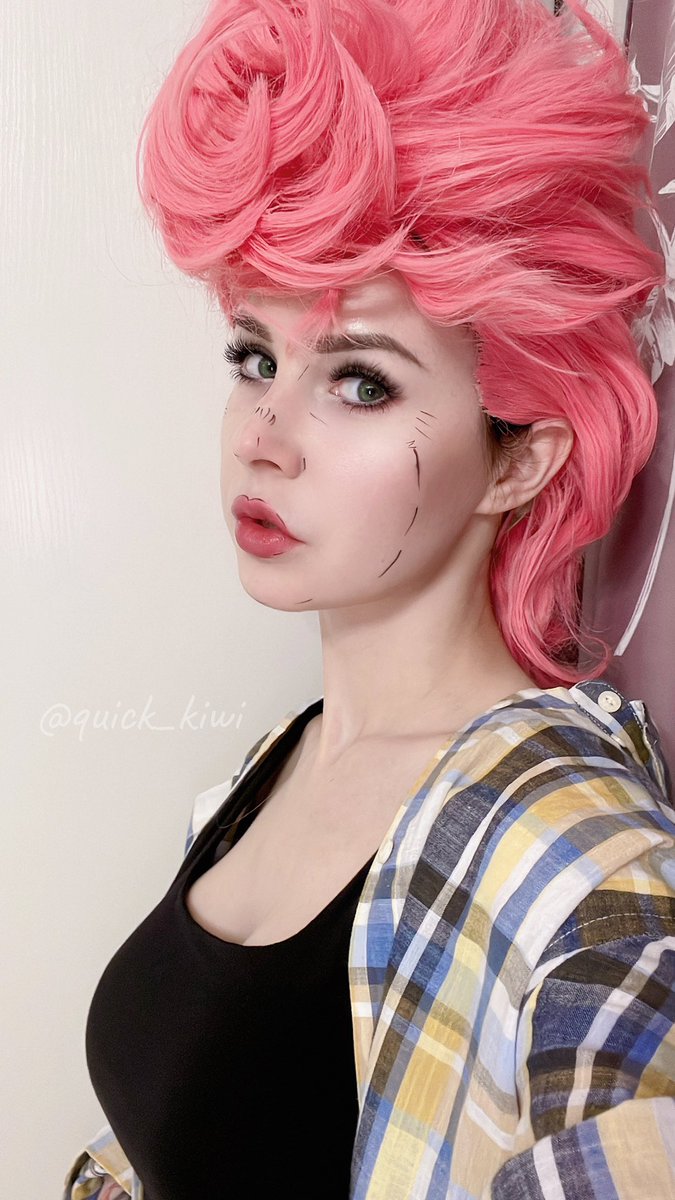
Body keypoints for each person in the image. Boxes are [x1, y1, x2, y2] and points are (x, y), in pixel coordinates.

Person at [64, 0, 675, 1197]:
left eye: (359, 382)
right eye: (256, 357)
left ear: (519, 462)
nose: (263, 435)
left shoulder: (584, 863)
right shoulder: (264, 773)